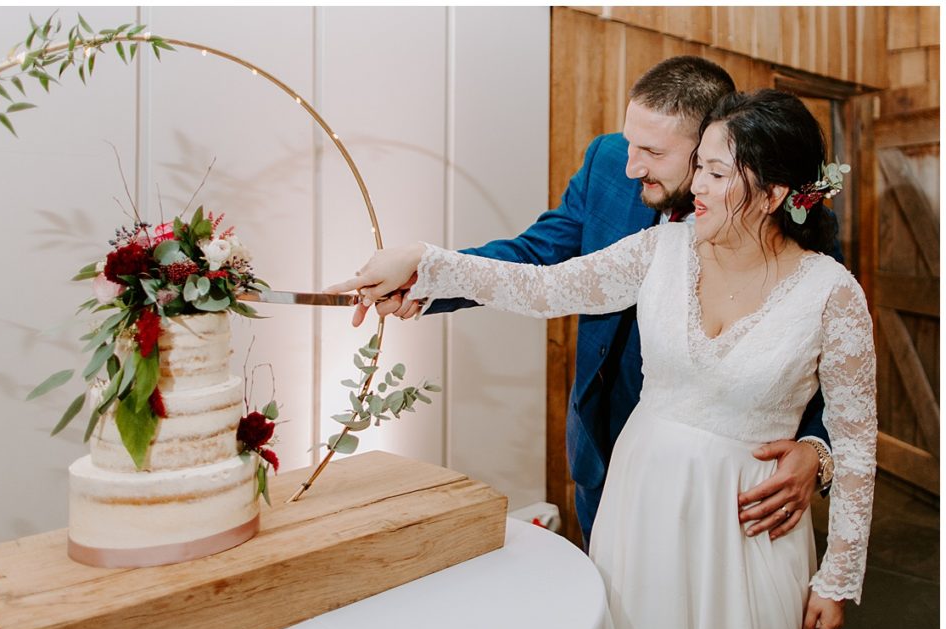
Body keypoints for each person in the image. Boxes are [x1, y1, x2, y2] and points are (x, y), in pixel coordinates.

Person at [328, 89, 875, 629]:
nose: (698, 187)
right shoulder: (660, 250)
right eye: (699, 169)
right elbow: (543, 285)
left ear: (773, 195)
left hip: (747, 525)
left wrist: (837, 581)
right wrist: (424, 261)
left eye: (717, 173)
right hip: (640, 499)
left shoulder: (832, 293)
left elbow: (857, 443)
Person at [351, 56, 839, 549]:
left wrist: (815, 447)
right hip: (603, 444)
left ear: (710, 147)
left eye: (651, 151)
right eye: (630, 143)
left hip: (729, 482)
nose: (631, 167)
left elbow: (822, 352)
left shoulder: (794, 230)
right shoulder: (608, 164)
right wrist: (424, 275)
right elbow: (536, 262)